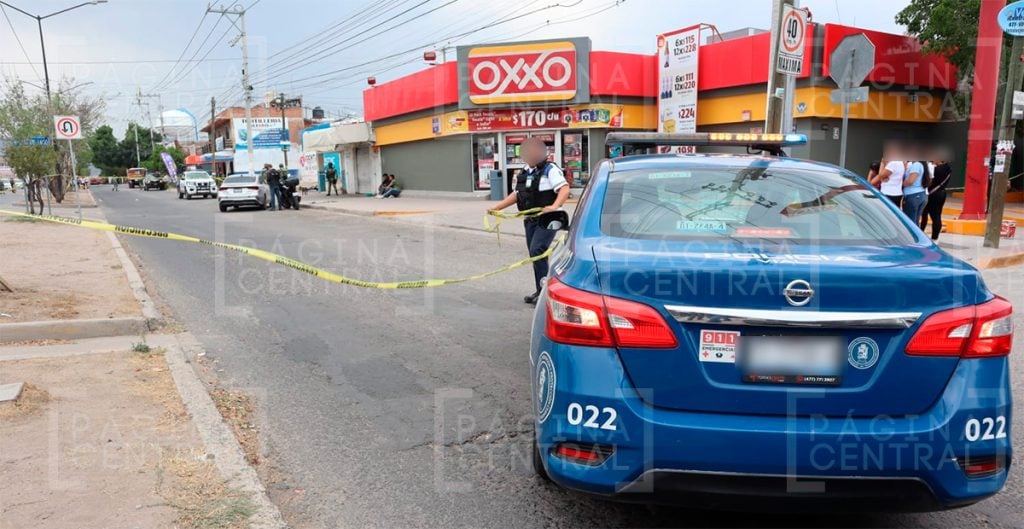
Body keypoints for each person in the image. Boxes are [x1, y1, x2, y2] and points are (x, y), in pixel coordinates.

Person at [487, 137, 570, 304]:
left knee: (537, 250)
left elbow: (564, 189)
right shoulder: (524, 171)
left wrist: (554, 206)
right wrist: (498, 207)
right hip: (530, 219)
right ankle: (541, 289)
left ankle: (546, 292)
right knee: (535, 255)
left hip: (548, 218)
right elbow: (517, 195)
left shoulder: (550, 169)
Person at [921, 160, 952, 240]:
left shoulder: (936, 170)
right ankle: (935, 236)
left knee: (926, 214)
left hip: (933, 194)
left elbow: (930, 181)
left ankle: (922, 232)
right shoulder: (948, 169)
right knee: (937, 216)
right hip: (942, 193)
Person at [902, 159, 929, 225]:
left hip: (913, 195)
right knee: (915, 221)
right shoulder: (920, 165)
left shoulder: (916, 165)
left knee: (910, 222)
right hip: (920, 194)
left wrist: (900, 184)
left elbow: (910, 181)